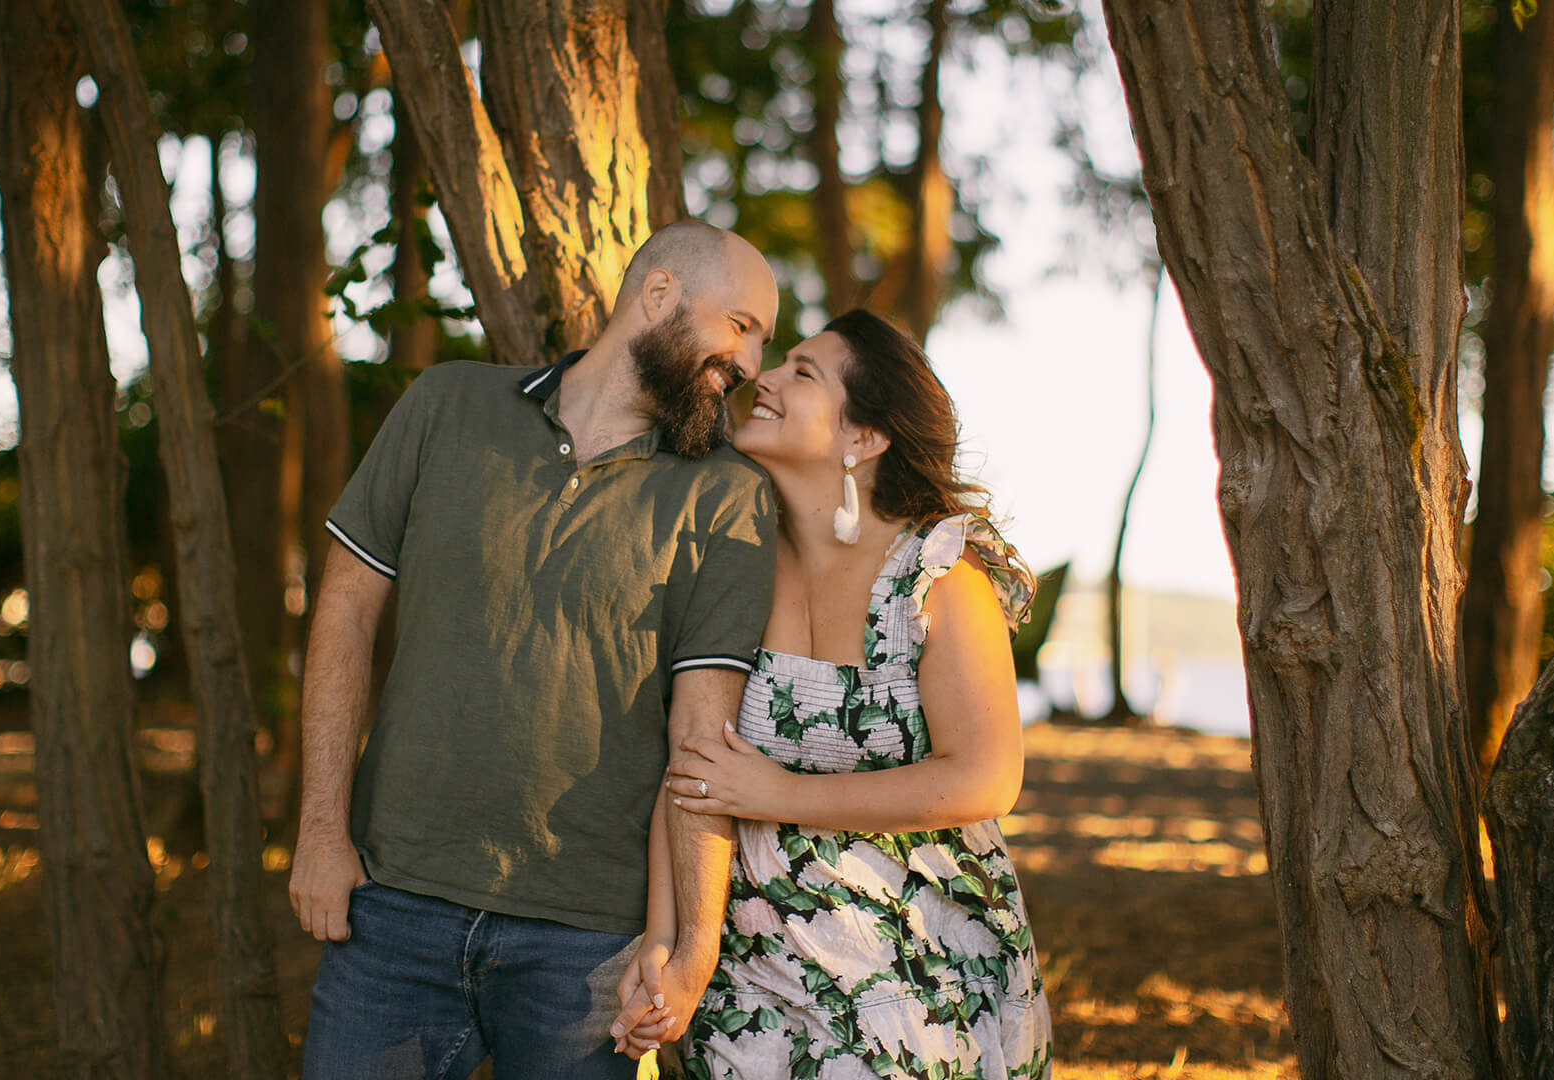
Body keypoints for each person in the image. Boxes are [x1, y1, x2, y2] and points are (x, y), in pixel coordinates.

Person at [290, 220, 783, 1079]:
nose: (749, 363)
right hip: (393, 904)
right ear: (658, 294)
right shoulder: (447, 404)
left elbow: (702, 737)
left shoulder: (728, 494)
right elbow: (344, 611)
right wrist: (321, 833)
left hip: (587, 946)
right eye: (740, 326)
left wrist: (693, 947)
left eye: (764, 342)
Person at [611, 309, 1055, 1077]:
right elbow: (693, 769)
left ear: (864, 436)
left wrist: (779, 793)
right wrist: (667, 941)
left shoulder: (937, 574)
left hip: (919, 973)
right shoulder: (732, 562)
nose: (764, 378)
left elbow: (985, 777)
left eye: (803, 373)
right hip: (758, 972)